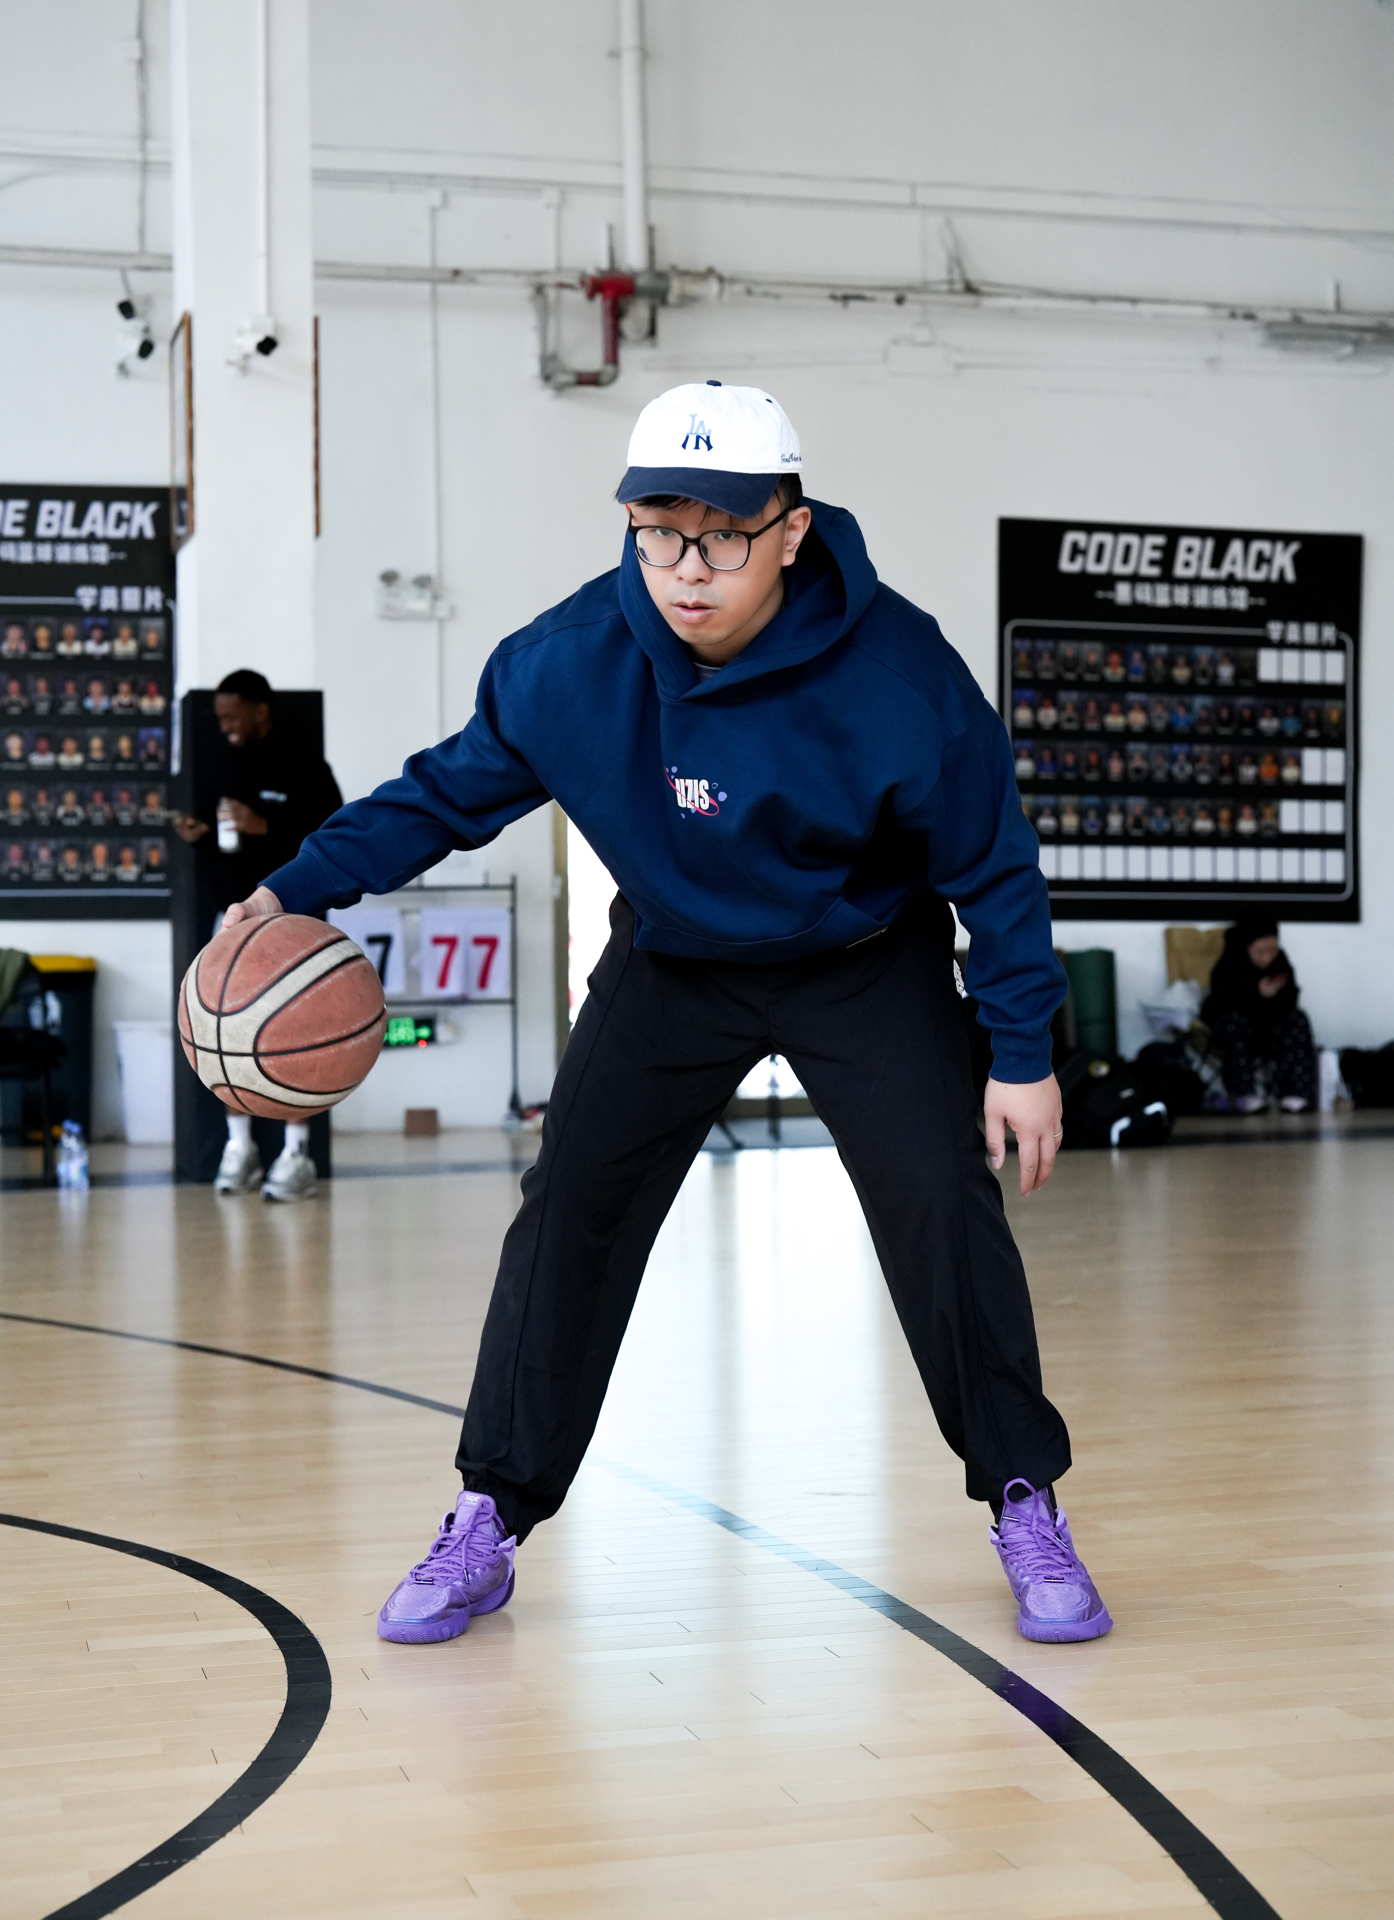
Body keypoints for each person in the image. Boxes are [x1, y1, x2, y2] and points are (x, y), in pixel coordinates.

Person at [223, 382, 1111, 1648]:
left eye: (723, 536)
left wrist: (1020, 1054)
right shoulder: (567, 660)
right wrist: (288, 889)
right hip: (673, 960)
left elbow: (994, 865)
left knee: (940, 1206)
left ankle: (1024, 1498)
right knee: (567, 1211)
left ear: (789, 532)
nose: (687, 568)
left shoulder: (902, 674)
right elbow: (441, 797)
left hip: (862, 959)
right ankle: (489, 1512)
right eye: (658, 531)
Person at [172, 668, 343, 1201]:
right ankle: (239, 1146)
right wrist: (201, 836)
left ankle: (296, 1153)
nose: (224, 724)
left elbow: (332, 833)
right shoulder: (226, 762)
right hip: (235, 921)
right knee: (225, 1028)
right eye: (219, 716)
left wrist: (265, 826)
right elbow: (228, 841)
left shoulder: (306, 765)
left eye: (232, 715)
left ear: (260, 710)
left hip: (293, 920)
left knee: (299, 1031)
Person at [1202, 909, 1315, 1113]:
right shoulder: (1228, 963)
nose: (1268, 957)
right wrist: (1256, 993)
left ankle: (1294, 1093)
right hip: (1240, 1030)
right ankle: (1244, 1094)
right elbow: (1222, 1003)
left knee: (1297, 1018)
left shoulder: (1280, 961)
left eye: (1273, 950)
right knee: (1234, 1022)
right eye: (1260, 951)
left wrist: (1276, 995)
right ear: (1246, 946)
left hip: (1270, 1028)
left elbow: (1291, 997)